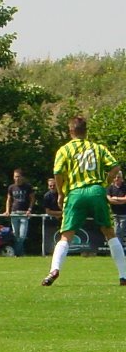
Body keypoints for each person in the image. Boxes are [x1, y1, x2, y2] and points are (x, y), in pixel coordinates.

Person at [42, 115, 126, 286]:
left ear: (70, 131)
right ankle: (124, 275)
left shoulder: (64, 150)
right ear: (86, 131)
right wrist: (104, 183)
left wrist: (60, 194)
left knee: (66, 235)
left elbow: (58, 172)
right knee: (109, 232)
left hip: (75, 192)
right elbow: (115, 167)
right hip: (96, 191)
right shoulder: (97, 148)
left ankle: (54, 270)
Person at [4, 168, 35, 256]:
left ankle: (15, 253)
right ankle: (21, 253)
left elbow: (32, 199)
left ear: (22, 177)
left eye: (18, 176)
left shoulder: (28, 187)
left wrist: (30, 209)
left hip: (24, 214)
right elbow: (8, 200)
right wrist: (7, 210)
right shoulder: (11, 187)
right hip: (14, 213)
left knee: (22, 236)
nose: (16, 178)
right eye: (15, 177)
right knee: (16, 235)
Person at [107, 171, 126, 249]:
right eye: (115, 177)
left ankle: (119, 248)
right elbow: (109, 199)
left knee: (120, 231)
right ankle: (118, 248)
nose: (116, 179)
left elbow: (125, 199)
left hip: (124, 214)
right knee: (116, 232)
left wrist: (116, 198)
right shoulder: (110, 187)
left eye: (118, 177)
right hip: (114, 213)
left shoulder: (125, 187)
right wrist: (120, 201)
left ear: (122, 178)